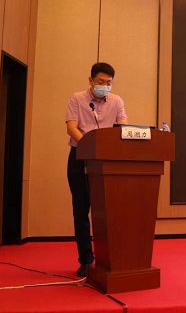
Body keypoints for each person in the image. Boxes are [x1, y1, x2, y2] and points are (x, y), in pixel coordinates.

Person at [65, 62, 128, 277]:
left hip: (106, 160)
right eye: (101, 82)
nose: (105, 86)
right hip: (80, 157)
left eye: (109, 83)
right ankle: (86, 260)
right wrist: (89, 147)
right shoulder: (77, 98)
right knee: (81, 209)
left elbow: (122, 127)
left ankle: (108, 258)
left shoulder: (117, 101)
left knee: (106, 211)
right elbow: (71, 127)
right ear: (91, 80)